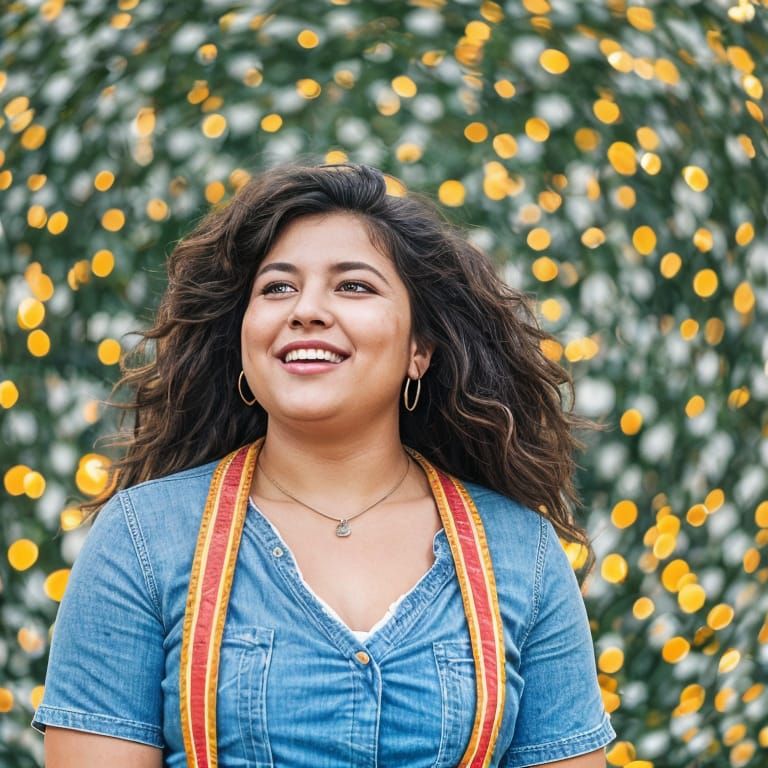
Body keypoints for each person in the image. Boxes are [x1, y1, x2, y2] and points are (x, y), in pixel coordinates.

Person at [32, 161, 616, 767]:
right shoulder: (141, 540)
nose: (306, 310)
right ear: (244, 339)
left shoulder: (525, 552)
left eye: (354, 286)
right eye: (277, 288)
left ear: (420, 349)